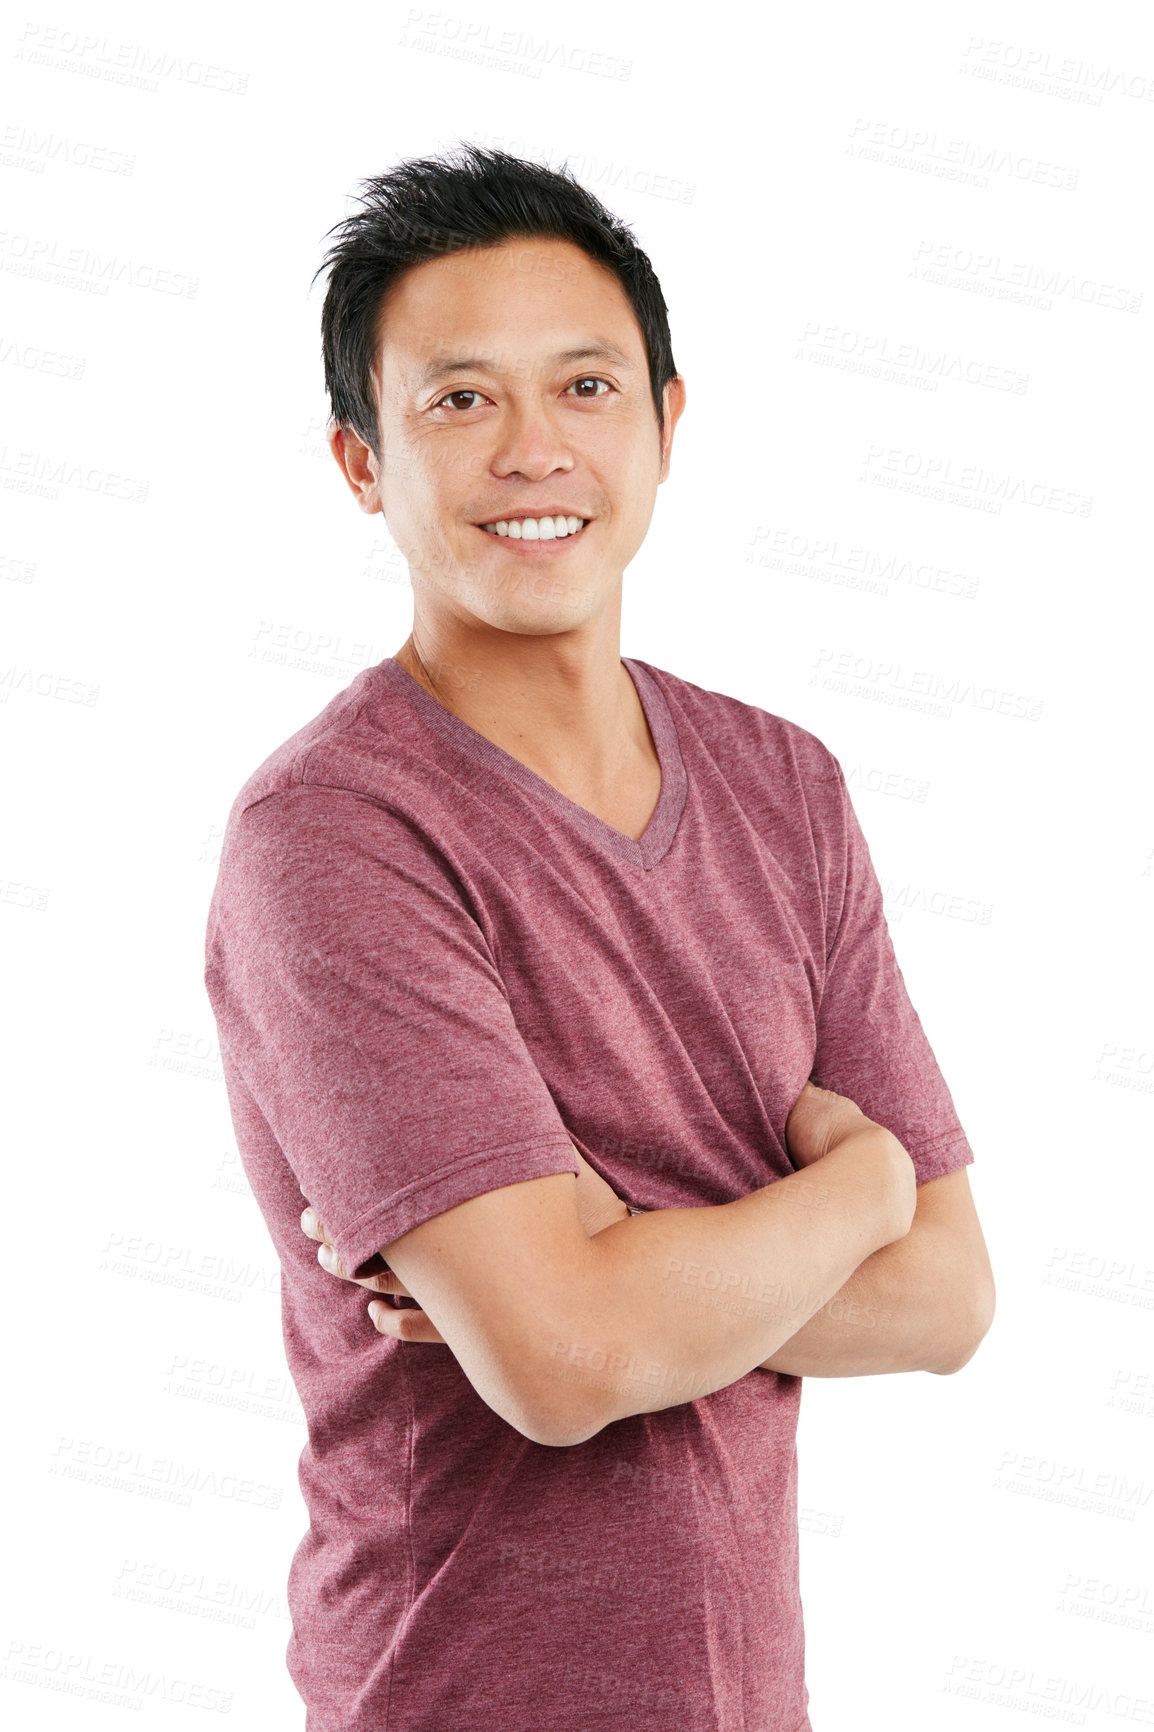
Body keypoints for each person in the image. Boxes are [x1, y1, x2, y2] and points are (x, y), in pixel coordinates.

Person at [203, 142, 995, 1731]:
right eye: (456, 400)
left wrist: (618, 1277)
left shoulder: (786, 786)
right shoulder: (337, 836)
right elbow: (563, 1368)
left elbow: (945, 1298)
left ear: (664, 422)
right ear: (362, 461)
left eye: (582, 386)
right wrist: (848, 1183)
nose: (530, 450)